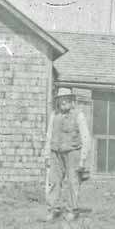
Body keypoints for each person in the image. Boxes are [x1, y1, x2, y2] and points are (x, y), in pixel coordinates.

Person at [43, 87, 90, 221]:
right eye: (60, 100)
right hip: (55, 152)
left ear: (71, 101)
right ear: (57, 101)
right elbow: (49, 135)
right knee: (54, 182)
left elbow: (86, 138)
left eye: (66, 100)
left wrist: (82, 159)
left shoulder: (78, 115)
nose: (63, 102)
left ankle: (72, 210)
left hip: (72, 153)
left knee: (72, 182)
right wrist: (47, 155)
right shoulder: (54, 115)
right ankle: (53, 209)